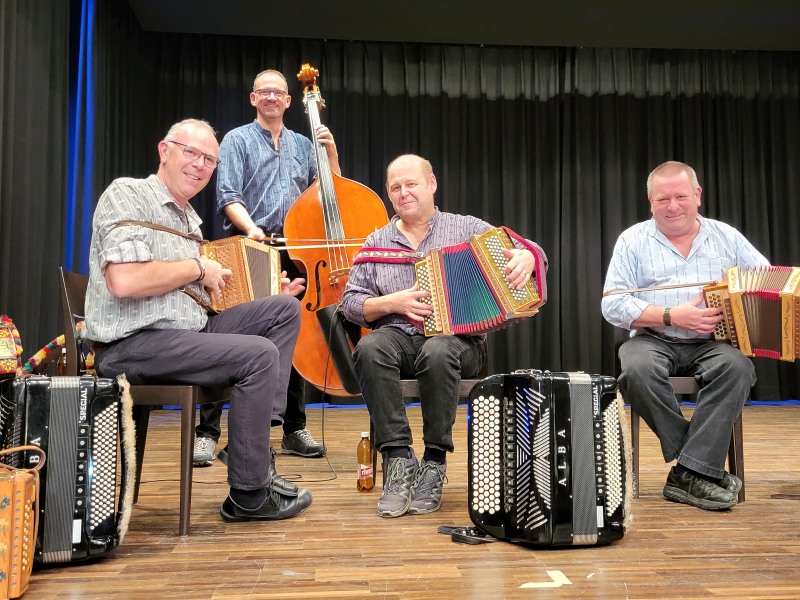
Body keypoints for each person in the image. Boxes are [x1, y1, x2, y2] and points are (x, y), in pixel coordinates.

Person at [83, 118, 312, 522]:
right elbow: (124, 280)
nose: (200, 165)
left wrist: (263, 289)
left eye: (209, 159)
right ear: (164, 150)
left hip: (186, 332)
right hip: (132, 343)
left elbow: (205, 299)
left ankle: (251, 449)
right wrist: (197, 268)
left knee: (282, 309)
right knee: (259, 355)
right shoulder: (128, 194)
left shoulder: (189, 220)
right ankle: (249, 495)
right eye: (191, 153)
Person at [341, 154, 546, 518]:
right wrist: (392, 302)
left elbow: (524, 247)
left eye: (411, 184)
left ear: (432, 184)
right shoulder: (377, 241)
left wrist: (529, 255)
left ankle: (434, 461)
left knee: (437, 349)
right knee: (370, 347)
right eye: (395, 187)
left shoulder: (466, 228)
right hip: (398, 337)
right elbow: (350, 304)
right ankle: (399, 459)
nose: (404, 193)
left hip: (460, 343)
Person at [601, 160, 770, 511]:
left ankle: (688, 473)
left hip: (712, 343)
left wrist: (737, 302)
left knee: (738, 368)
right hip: (652, 339)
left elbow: (765, 280)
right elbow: (612, 305)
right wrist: (671, 315)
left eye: (680, 196)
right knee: (636, 370)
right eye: (663, 199)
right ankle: (698, 469)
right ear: (651, 202)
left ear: (697, 195)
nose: (673, 206)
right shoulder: (632, 240)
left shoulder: (726, 236)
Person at [193, 69, 339, 465]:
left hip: (294, 248)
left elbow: (329, 194)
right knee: (228, 333)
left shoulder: (304, 145)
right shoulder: (237, 140)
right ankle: (207, 433)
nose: (272, 97)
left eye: (278, 92)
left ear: (289, 101)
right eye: (264, 92)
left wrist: (330, 155)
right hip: (249, 244)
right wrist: (252, 230)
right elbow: (228, 195)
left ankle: (294, 428)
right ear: (253, 98)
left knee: (292, 335)